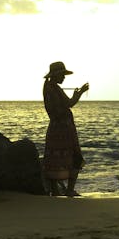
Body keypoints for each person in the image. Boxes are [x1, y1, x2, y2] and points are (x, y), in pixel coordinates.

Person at [42, 61, 89, 196]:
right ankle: (69, 189)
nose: (63, 78)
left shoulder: (48, 87)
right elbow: (69, 103)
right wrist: (80, 93)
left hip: (54, 128)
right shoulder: (54, 89)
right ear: (56, 75)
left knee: (53, 158)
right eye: (62, 75)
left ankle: (55, 190)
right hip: (64, 128)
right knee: (74, 155)